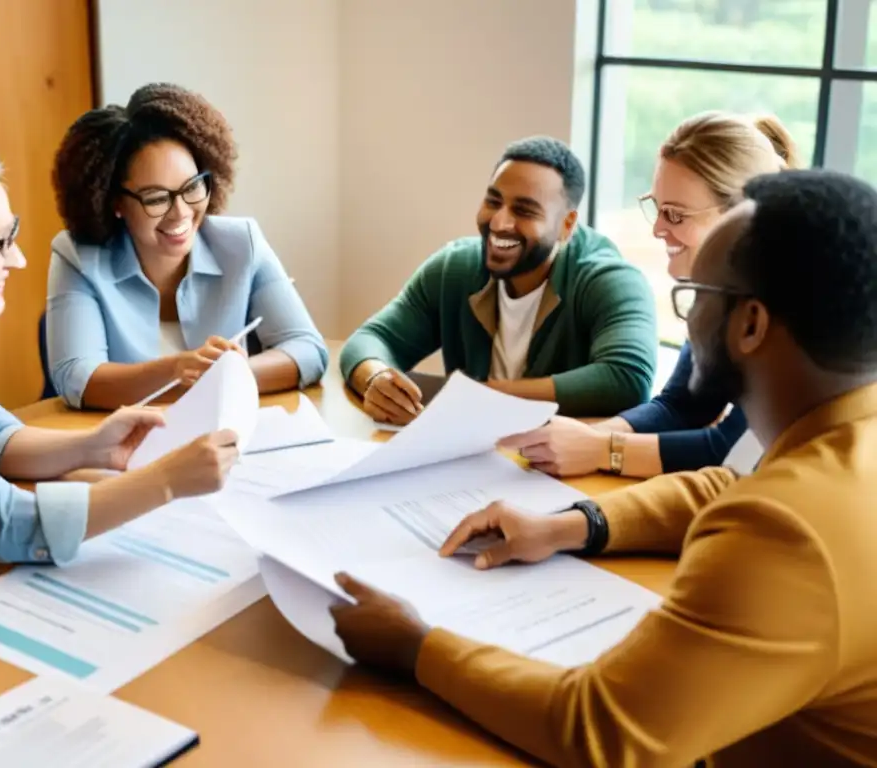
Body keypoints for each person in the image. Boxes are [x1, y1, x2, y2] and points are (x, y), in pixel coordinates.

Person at [330, 169, 877, 767]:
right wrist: (572, 525)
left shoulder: (786, 531)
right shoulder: (840, 436)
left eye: (698, 296)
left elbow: (599, 730)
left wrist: (417, 647)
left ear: (751, 325)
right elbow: (728, 485)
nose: (689, 319)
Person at [0, 143, 239, 714]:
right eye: (1, 241)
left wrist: (95, 446)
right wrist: (165, 482)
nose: (19, 260)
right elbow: (4, 523)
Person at [500, 112, 798, 479]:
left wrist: (603, 450)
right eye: (657, 208)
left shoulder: (788, 307)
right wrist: (588, 436)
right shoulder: (720, 289)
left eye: (674, 215)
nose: (657, 228)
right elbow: (684, 405)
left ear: (740, 215)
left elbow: (733, 452)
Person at [339, 136, 657, 425]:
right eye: (493, 201)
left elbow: (628, 379)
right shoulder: (455, 268)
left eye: (524, 211)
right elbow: (370, 339)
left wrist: (480, 397)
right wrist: (375, 378)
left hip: (559, 470)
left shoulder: (610, 280)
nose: (500, 222)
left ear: (566, 225)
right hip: (469, 458)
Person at [47, 82, 328, 410]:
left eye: (192, 187)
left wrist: (228, 375)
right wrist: (176, 371)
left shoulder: (242, 244)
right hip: (126, 447)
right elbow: (77, 378)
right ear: (114, 203)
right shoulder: (78, 258)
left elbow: (308, 349)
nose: (181, 212)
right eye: (156, 197)